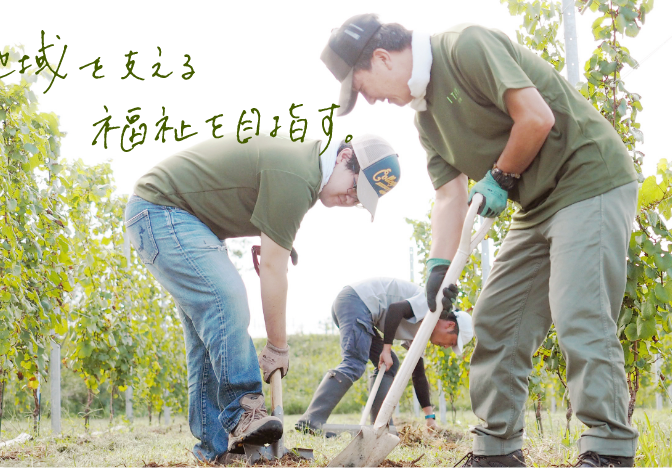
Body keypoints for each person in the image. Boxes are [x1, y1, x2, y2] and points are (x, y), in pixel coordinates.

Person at [320, 14, 640, 468]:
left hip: (587, 177)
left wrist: (499, 176)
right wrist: (436, 271)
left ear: (382, 57)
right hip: (537, 204)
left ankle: (609, 449)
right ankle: (497, 452)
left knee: (579, 311)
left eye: (362, 85)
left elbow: (536, 117)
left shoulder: (465, 48)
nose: (368, 98)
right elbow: (449, 198)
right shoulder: (426, 121)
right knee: (495, 321)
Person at [124, 133, 401, 464]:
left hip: (183, 220)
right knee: (226, 299)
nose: (351, 198)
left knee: (206, 341)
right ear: (344, 158)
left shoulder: (306, 171)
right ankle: (246, 410)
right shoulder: (299, 172)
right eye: (356, 187)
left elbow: (268, 224)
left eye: (360, 199)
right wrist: (277, 347)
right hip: (162, 211)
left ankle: (214, 451)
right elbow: (273, 268)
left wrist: (275, 242)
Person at [295, 277, 473, 435]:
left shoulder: (423, 331)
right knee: (355, 362)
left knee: (391, 364)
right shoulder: (431, 306)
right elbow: (396, 310)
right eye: (452, 342)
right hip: (357, 301)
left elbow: (417, 373)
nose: (447, 346)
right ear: (450, 326)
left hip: (359, 308)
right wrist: (386, 349)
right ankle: (311, 422)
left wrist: (429, 416)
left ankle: (381, 427)